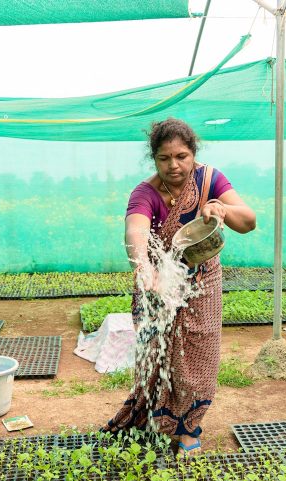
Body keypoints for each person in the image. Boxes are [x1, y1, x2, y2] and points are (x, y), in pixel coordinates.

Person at [104, 117, 256, 455]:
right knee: (156, 359)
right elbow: (136, 233)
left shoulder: (209, 180)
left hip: (203, 283)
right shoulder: (145, 193)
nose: (174, 165)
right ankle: (155, 420)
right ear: (154, 158)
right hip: (158, 285)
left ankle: (190, 428)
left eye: (182, 156)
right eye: (164, 158)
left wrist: (222, 208)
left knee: (198, 357)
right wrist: (145, 270)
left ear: (193, 154)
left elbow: (249, 220)